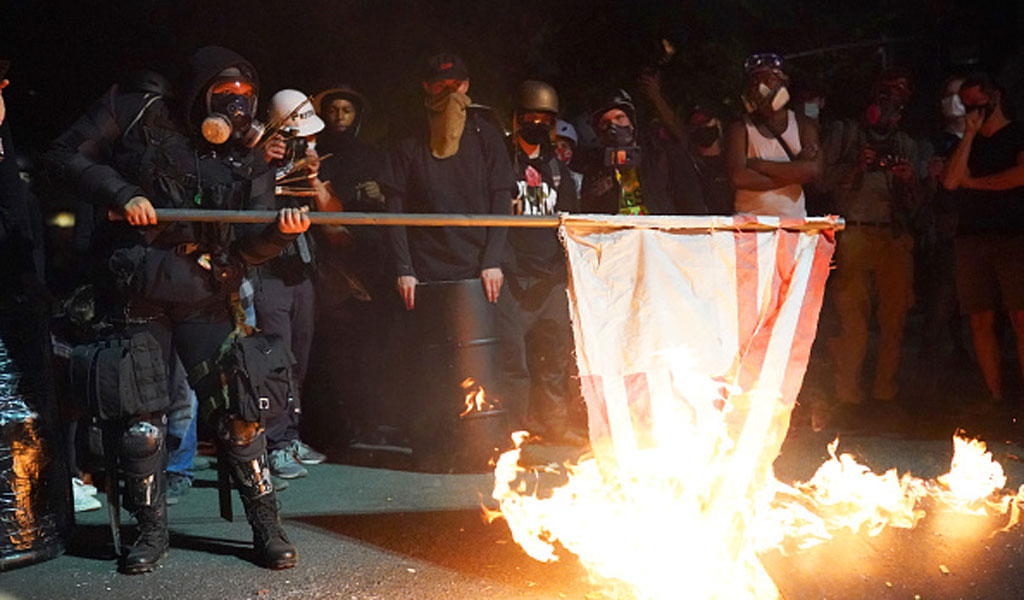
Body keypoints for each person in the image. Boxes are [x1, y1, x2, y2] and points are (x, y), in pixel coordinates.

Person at [46, 46, 307, 574]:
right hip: (137, 291)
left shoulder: (247, 154)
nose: (235, 109)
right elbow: (64, 154)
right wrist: (119, 193)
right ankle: (151, 531)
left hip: (208, 296)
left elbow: (251, 241)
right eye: (224, 97)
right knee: (141, 424)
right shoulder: (137, 110)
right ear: (199, 94)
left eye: (244, 99)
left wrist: (279, 235)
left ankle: (267, 526)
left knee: (241, 414)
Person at [381, 52, 515, 310]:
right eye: (441, 86)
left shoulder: (486, 135)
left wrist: (492, 262)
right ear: (427, 87)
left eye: (455, 86)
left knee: (504, 344)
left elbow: (501, 199)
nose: (450, 94)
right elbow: (394, 206)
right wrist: (404, 268)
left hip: (480, 269)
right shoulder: (408, 139)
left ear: (466, 85)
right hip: (427, 270)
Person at [823, 66, 922, 407]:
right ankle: (847, 393)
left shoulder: (906, 144)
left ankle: (885, 392)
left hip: (893, 236)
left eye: (900, 99)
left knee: (894, 320)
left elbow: (919, 204)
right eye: (888, 95)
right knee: (852, 320)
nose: (893, 104)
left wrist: (910, 180)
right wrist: (856, 167)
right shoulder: (847, 133)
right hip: (853, 232)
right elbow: (820, 181)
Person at [255, 88, 335, 479]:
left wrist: (315, 178)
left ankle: (290, 434)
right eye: (292, 136)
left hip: (301, 268)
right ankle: (274, 444)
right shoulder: (249, 156)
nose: (298, 144)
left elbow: (331, 214)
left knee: (299, 357)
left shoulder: (307, 158)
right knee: (274, 357)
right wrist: (259, 162)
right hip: (267, 270)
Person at [499, 80, 581, 441]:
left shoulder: (556, 165)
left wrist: (561, 269)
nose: (537, 125)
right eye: (530, 117)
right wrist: (505, 265)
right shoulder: (499, 159)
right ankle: (515, 427)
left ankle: (556, 425)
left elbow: (571, 215)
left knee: (554, 355)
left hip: (550, 276)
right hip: (513, 274)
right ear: (517, 119)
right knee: (512, 358)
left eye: (544, 120)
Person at [941, 73, 1024, 412]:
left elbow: (1019, 175)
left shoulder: (1018, 134)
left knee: (1020, 315)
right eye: (968, 103)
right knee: (980, 317)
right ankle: (995, 398)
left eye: (979, 101)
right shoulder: (968, 141)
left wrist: (974, 185)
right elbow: (950, 181)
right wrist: (969, 136)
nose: (974, 109)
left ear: (996, 97)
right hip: (971, 239)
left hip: (1014, 236)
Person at [580, 87, 705, 215]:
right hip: (617, 233)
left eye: (619, 118)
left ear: (632, 123)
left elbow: (692, 200)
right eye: (605, 123)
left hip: (659, 233)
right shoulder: (596, 167)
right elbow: (587, 213)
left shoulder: (661, 152)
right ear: (599, 133)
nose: (613, 126)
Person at [726, 53, 821, 218]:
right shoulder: (740, 128)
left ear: (784, 83)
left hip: (793, 222)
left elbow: (814, 170)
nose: (761, 87)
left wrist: (757, 165)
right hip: (748, 222)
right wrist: (795, 172)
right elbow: (739, 178)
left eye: (768, 79)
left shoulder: (803, 125)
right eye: (755, 81)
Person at [685, 106, 733, 215]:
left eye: (705, 122)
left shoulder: (734, 161)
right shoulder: (690, 165)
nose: (701, 126)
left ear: (718, 123)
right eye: (696, 124)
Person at [554, 119, 583, 195]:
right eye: (554, 146)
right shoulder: (539, 177)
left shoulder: (579, 182)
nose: (559, 150)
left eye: (564, 146)